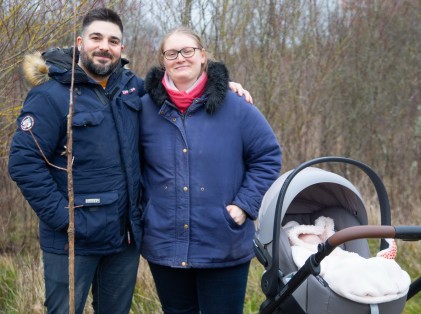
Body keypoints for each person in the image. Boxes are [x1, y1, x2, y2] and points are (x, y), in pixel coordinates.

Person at [8, 8, 251, 314]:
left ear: (121, 48)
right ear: (81, 42)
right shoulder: (51, 96)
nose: (104, 46)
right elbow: (23, 163)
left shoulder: (133, 89)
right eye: (96, 37)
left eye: (113, 40)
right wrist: (64, 220)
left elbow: (184, 85)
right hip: (73, 241)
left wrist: (223, 88)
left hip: (123, 240)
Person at [139, 26, 282, 314]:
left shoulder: (237, 107)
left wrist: (244, 205)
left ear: (203, 56)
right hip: (165, 244)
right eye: (171, 53)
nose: (180, 58)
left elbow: (268, 156)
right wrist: (146, 211)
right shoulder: (142, 110)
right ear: (162, 61)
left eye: (188, 51)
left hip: (222, 241)